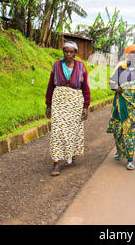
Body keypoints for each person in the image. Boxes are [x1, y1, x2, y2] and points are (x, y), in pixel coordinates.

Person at [45, 41, 91, 176]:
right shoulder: (57, 65)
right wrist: (48, 105)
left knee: (72, 131)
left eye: (71, 52)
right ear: (63, 52)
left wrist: (85, 107)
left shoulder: (81, 66)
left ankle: (71, 155)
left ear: (75, 53)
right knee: (57, 132)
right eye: (66, 51)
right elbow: (50, 86)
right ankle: (56, 163)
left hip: (75, 103)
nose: (68, 54)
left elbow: (85, 88)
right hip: (59, 102)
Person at [107, 44, 135, 170]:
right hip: (121, 104)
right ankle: (120, 150)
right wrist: (116, 87)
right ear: (127, 54)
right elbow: (112, 81)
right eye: (132, 53)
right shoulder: (120, 66)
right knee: (119, 129)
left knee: (132, 130)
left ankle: (130, 158)